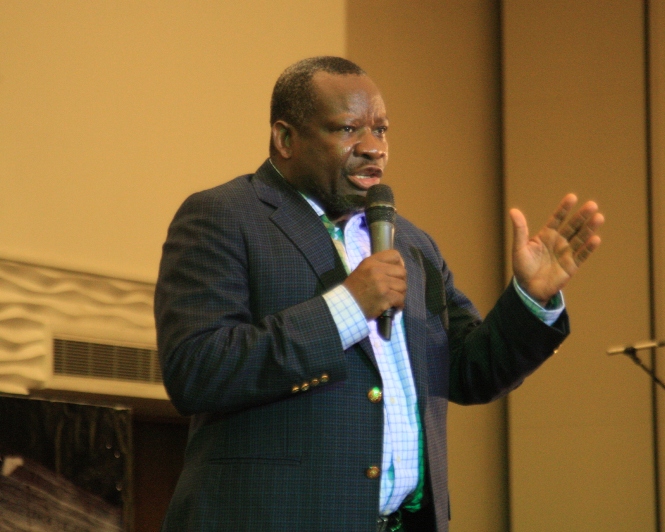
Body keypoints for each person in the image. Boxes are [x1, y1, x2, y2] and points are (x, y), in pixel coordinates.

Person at [154, 56, 603, 532]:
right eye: (348, 129)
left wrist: (529, 301)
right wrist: (348, 308)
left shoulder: (412, 244)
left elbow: (471, 371)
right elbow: (196, 369)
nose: (373, 148)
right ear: (285, 139)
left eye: (382, 130)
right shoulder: (224, 217)